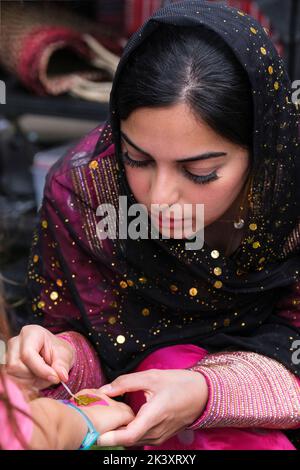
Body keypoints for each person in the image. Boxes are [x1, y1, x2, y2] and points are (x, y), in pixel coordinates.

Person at [6, 0, 300, 450]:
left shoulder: (290, 196)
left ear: (262, 148)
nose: (159, 198)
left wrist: (207, 392)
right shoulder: (86, 191)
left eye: (199, 172)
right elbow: (81, 351)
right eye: (136, 159)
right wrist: (57, 354)